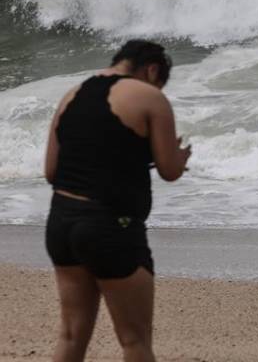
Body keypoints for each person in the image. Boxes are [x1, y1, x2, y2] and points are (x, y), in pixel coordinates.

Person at [44, 40, 191, 362]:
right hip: (110, 227)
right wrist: (179, 157)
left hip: (61, 223)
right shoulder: (150, 96)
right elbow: (169, 170)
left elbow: (51, 171)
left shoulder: (72, 94)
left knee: (70, 335)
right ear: (152, 70)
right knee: (134, 341)